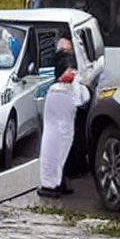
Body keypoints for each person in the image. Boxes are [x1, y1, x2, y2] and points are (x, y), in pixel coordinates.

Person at [37, 49, 90, 198]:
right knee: (57, 151)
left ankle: (55, 182)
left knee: (57, 151)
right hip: (63, 126)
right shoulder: (65, 91)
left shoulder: (57, 90)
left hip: (61, 126)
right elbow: (81, 100)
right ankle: (52, 184)